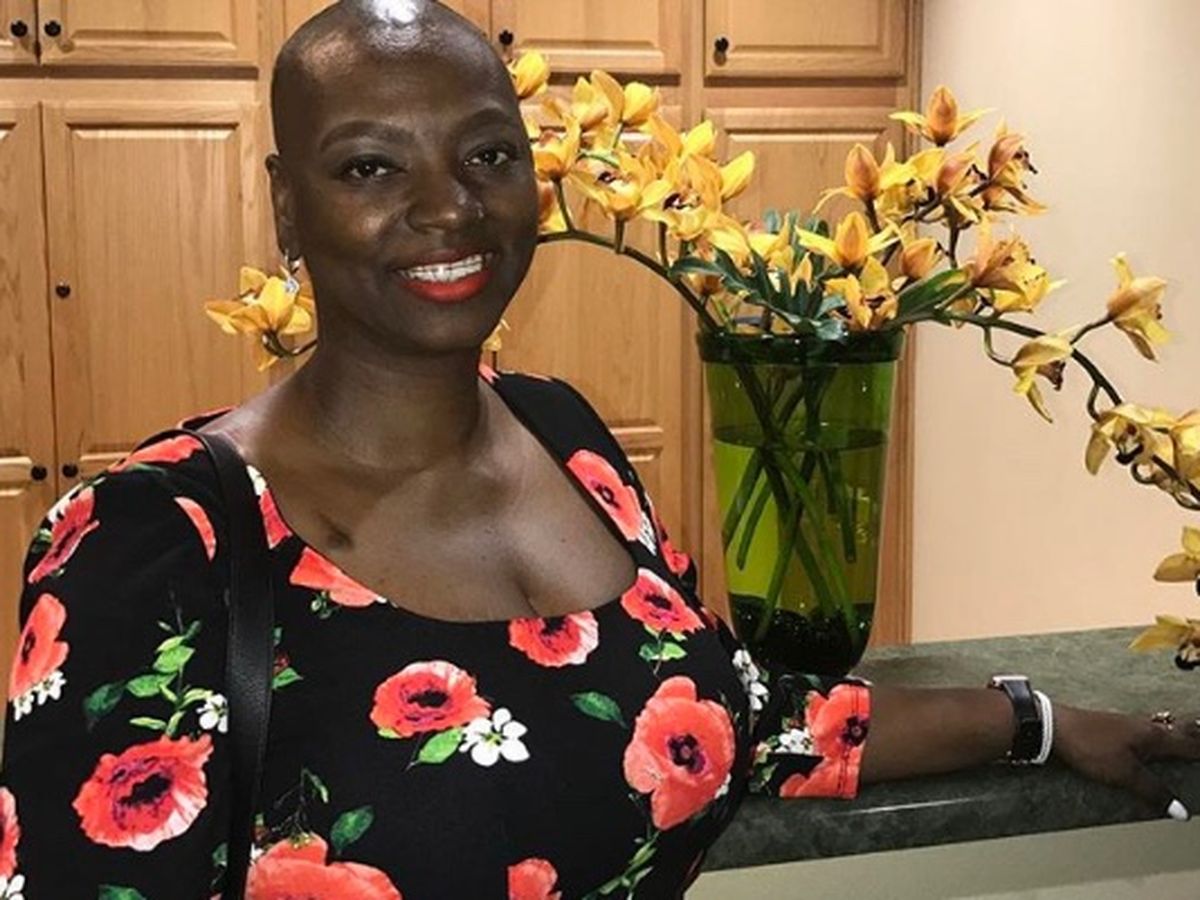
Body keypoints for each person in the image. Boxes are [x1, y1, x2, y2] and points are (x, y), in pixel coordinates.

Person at [3, 2, 1198, 897]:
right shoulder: (154, 541)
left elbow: (736, 714)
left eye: (488, 154)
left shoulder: (567, 438)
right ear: (285, 206)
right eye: (371, 166)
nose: (449, 206)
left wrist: (1038, 720)